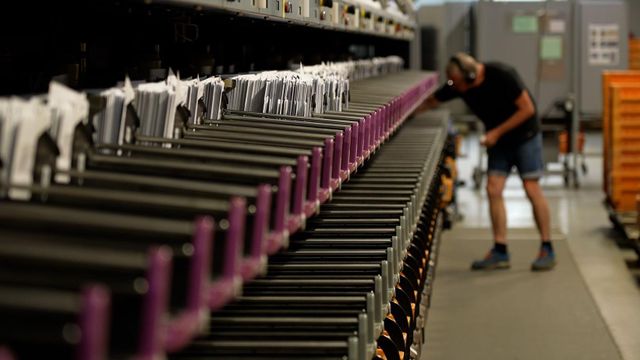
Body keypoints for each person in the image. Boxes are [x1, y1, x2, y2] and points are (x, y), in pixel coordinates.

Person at [416, 53, 555, 271]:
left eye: (458, 83)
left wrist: (497, 132)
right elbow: (431, 101)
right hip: (499, 141)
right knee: (493, 189)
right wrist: (400, 116)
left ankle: (547, 247)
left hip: (525, 137)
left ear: (470, 76)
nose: (456, 88)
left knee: (531, 188)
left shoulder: (502, 75)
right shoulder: (458, 84)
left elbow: (528, 109)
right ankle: (500, 250)